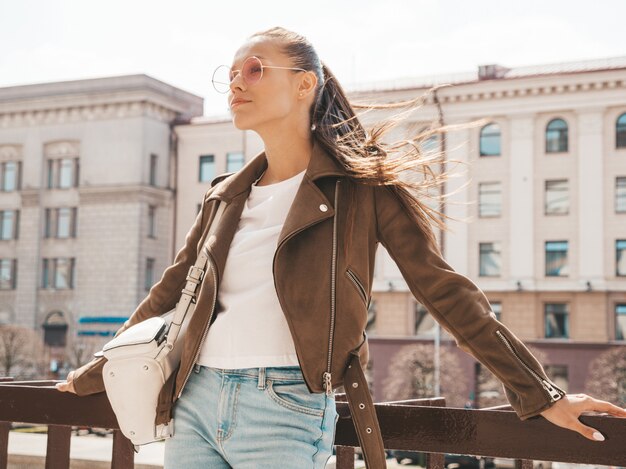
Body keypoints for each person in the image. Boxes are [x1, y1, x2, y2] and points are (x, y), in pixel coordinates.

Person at [56, 26, 626, 469]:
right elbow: (170, 293)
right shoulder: (223, 196)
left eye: (254, 69)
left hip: (282, 405)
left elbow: (446, 292)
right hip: (194, 400)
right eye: (228, 72)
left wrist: (540, 392)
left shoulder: (363, 190)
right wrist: (95, 370)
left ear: (305, 83)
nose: (235, 82)